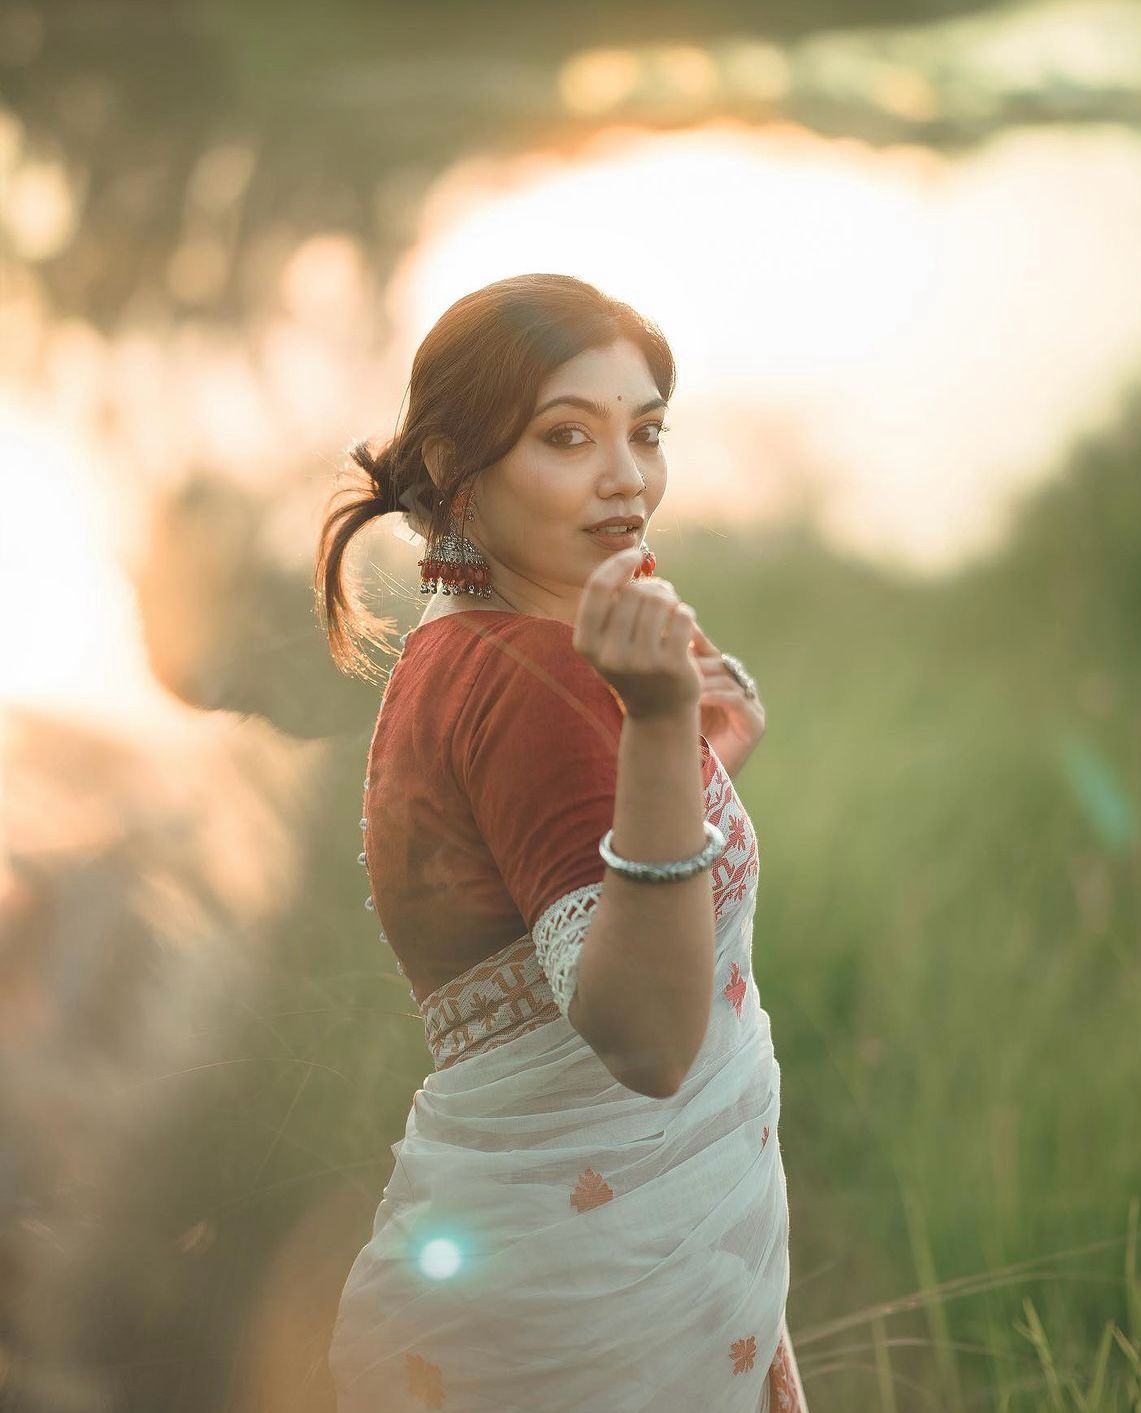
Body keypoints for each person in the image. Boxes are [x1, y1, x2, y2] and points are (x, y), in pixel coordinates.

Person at [315, 273, 807, 1411]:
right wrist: (657, 722)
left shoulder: (470, 643)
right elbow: (648, 1040)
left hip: (550, 1274)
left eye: (646, 432)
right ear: (451, 466)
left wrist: (695, 756)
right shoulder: (538, 680)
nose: (627, 477)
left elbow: (541, 872)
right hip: (585, 1312)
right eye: (568, 436)